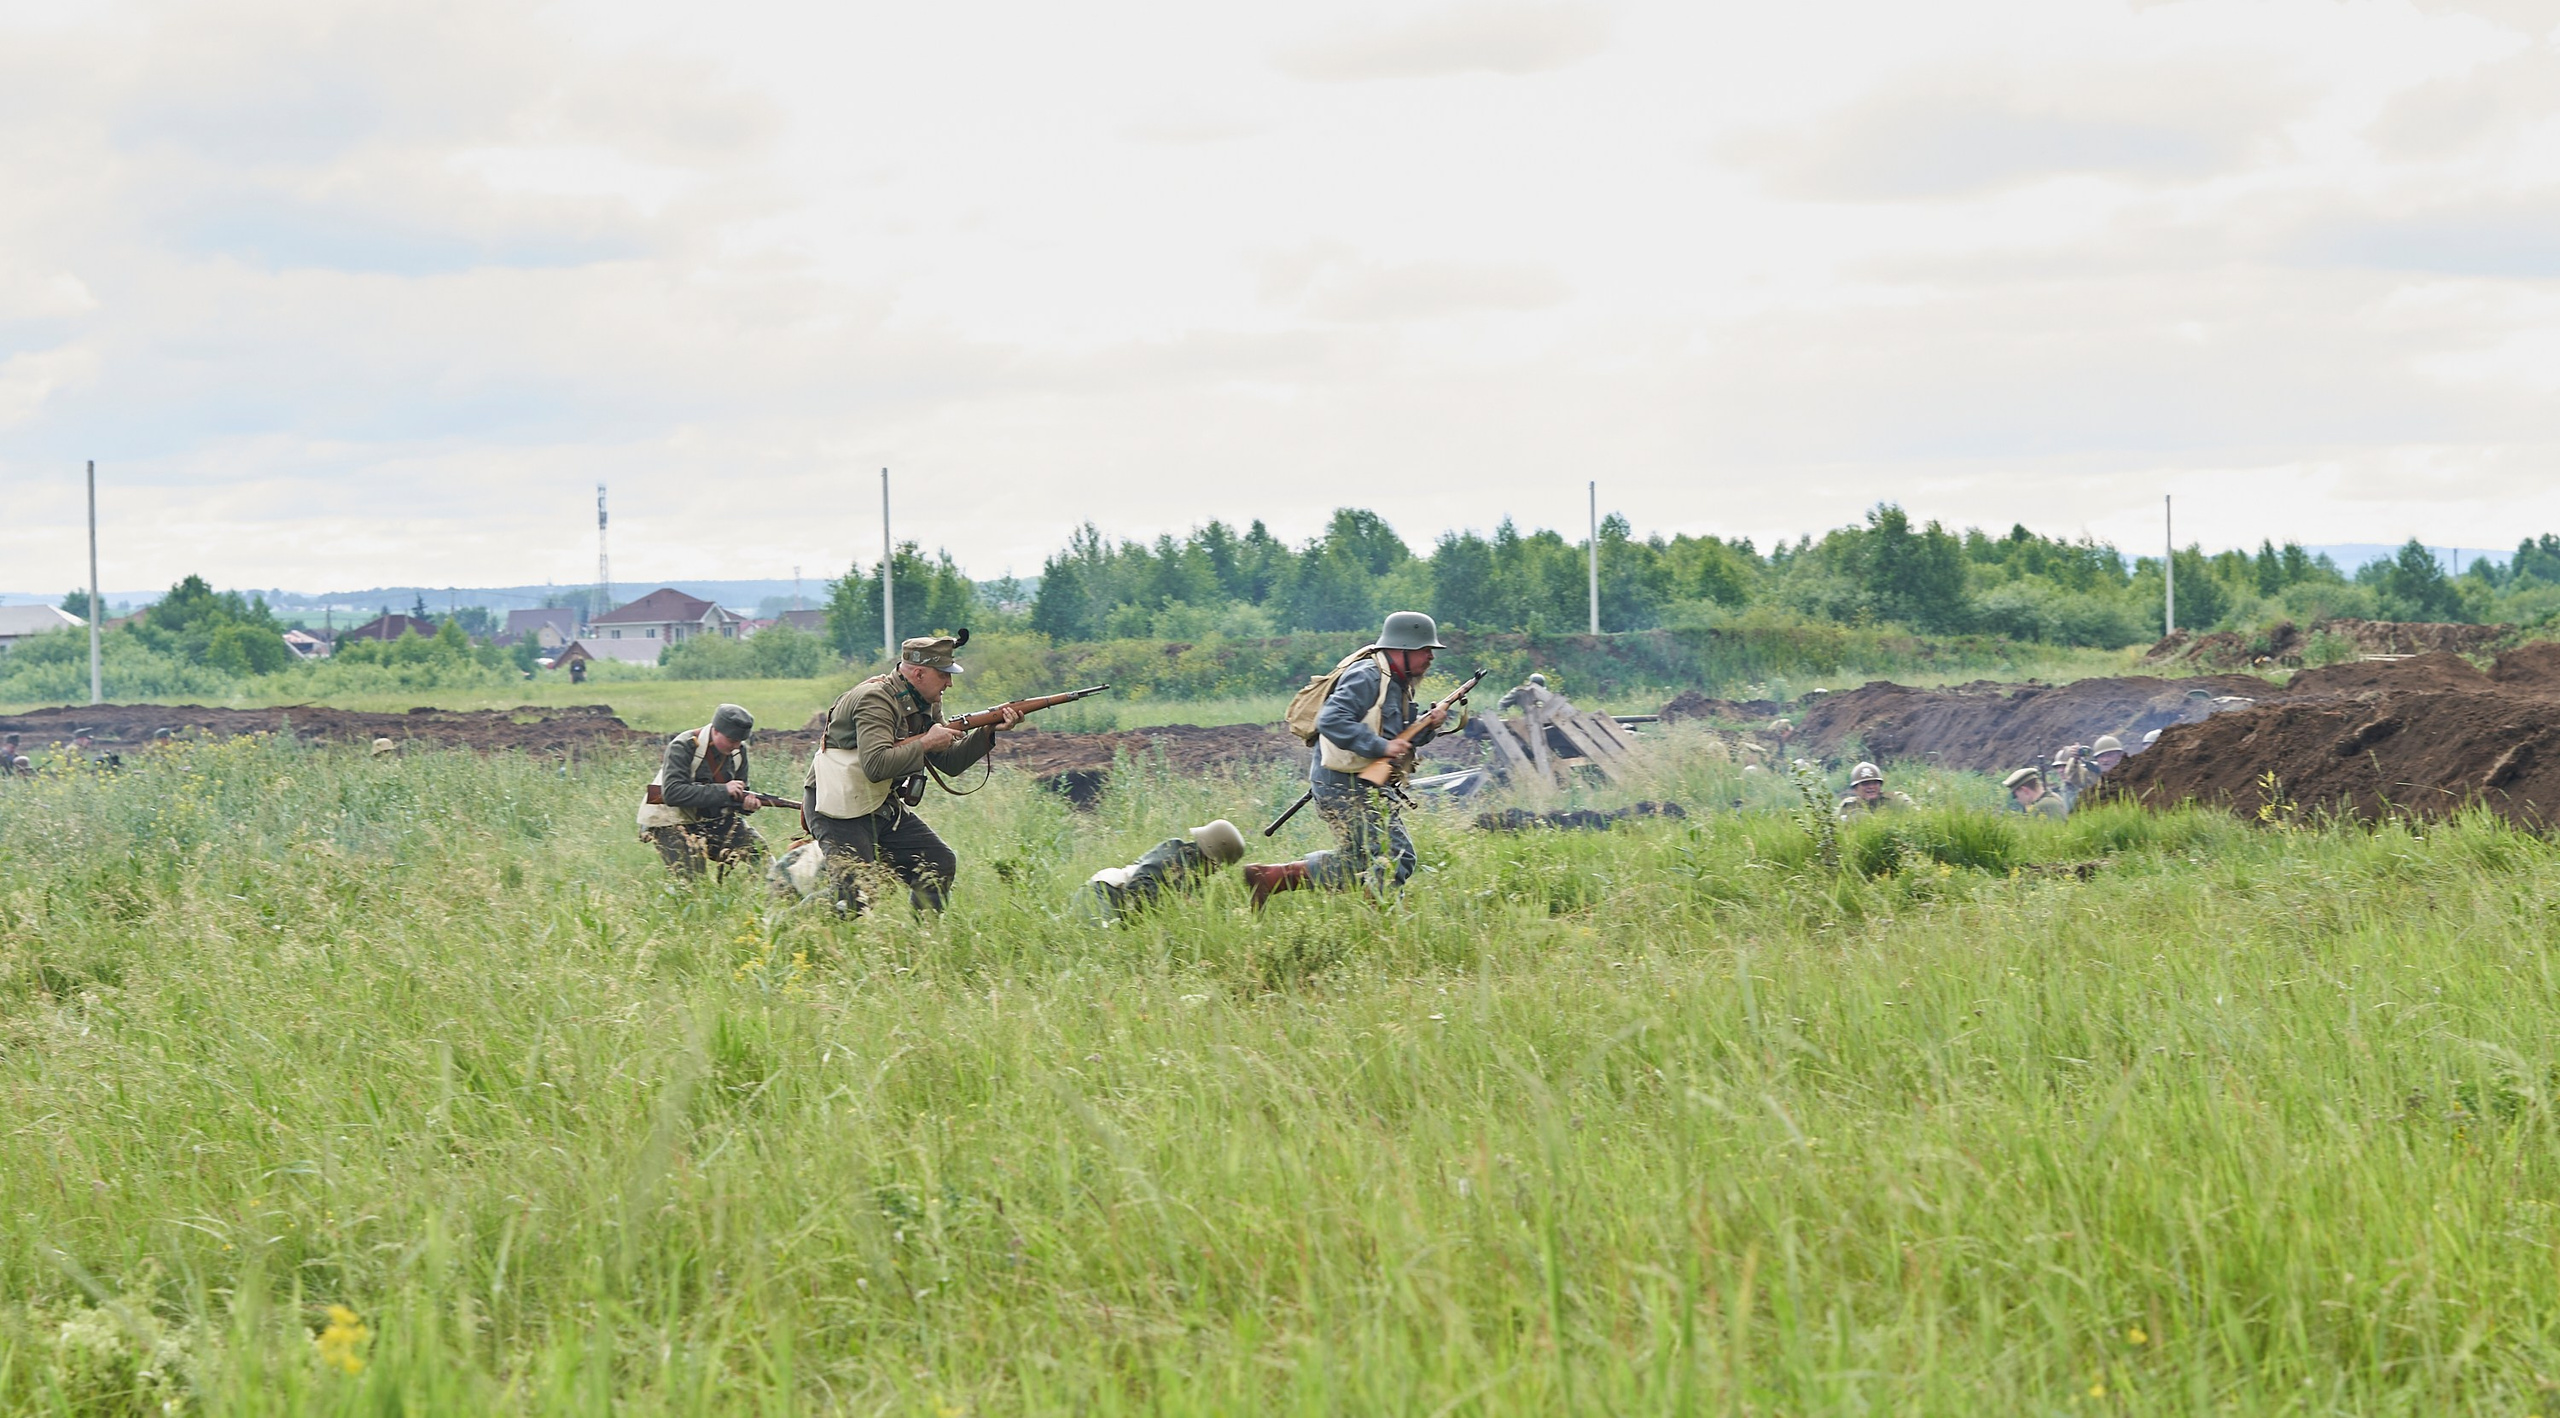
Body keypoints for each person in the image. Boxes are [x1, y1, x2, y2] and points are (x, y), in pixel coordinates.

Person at [1242, 611, 1451, 907]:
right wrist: (1380, 746)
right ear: (1402, 648)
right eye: (1424, 649)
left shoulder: (1396, 681)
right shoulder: (1367, 675)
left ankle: (1271, 878)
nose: (1431, 656)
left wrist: (1429, 725)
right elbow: (1332, 719)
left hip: (1358, 783)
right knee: (1395, 855)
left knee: (1359, 861)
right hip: (1345, 785)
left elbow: (1398, 739)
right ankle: (1382, 921)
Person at [802, 633, 1021, 914]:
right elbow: (876, 766)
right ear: (919, 673)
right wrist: (926, 742)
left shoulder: (926, 701)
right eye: (943, 675)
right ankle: (784, 926)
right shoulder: (875, 699)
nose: (949, 683)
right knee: (853, 897)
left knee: (938, 863)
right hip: (836, 805)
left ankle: (926, 936)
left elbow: (949, 763)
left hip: (877, 801)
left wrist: (987, 730)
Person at [636, 703, 768, 878]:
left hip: (710, 818)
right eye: (732, 740)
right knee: (694, 883)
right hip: (670, 819)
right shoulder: (683, 746)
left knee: (760, 853)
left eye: (740, 741)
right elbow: (672, 793)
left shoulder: (738, 752)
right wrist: (723, 790)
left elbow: (737, 794)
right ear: (716, 730)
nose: (736, 746)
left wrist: (746, 805)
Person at [1080, 820, 1247, 921]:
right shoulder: (1176, 853)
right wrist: (1175, 904)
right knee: (1102, 940)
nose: (1216, 871)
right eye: (1216, 866)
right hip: (1103, 891)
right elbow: (1139, 883)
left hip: (1119, 906)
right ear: (1211, 856)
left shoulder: (1194, 875)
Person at [1836, 761, 1911, 817]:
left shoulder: (1897, 800)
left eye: (1874, 783)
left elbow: (1916, 818)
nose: (1871, 787)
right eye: (1865, 784)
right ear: (1855, 789)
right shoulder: (1848, 806)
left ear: (1880, 785)